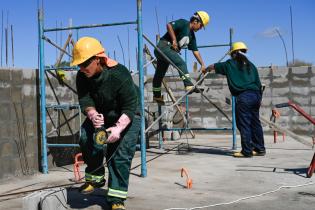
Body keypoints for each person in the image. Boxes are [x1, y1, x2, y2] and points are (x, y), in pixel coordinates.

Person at [71, 36, 141, 210]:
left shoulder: (119, 74)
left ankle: (116, 198)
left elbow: (130, 105)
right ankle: (95, 179)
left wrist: (118, 129)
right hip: (103, 112)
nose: (81, 68)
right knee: (87, 138)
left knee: (120, 154)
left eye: (85, 64)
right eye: (79, 64)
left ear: (97, 59)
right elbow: (85, 99)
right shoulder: (82, 76)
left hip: (127, 114)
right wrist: (92, 114)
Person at [205, 41, 265, 158]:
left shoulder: (230, 64)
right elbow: (258, 84)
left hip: (244, 97)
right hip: (256, 96)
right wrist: (259, 98)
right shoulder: (252, 66)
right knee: (255, 123)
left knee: (244, 124)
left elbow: (214, 66)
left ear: (234, 53)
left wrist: (205, 69)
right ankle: (259, 148)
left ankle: (246, 151)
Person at [152, 11, 210, 105]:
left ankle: (157, 96)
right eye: (201, 25)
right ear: (195, 21)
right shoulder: (184, 23)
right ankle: (188, 85)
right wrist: (174, 40)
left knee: (159, 75)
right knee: (181, 63)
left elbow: (195, 51)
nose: (200, 28)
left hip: (167, 53)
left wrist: (202, 64)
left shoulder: (192, 37)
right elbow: (169, 25)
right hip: (163, 46)